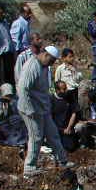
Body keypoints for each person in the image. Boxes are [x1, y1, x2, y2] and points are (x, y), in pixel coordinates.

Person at [17, 46, 73, 176]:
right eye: (51, 60)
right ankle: (30, 167)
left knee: (52, 133)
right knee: (36, 136)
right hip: (31, 109)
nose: (52, 64)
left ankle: (62, 160)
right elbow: (23, 88)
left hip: (42, 108)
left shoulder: (43, 67)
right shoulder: (32, 66)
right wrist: (29, 109)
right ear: (45, 55)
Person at [0, 83, 28, 147]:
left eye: (7, 99)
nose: (6, 100)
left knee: (19, 120)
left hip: (6, 122)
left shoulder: (13, 99)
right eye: (5, 98)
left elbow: (18, 112)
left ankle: (16, 140)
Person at [51, 80, 80, 151]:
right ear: (57, 90)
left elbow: (74, 113)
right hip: (56, 129)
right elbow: (50, 119)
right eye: (64, 89)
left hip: (67, 127)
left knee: (70, 147)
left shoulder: (70, 97)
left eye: (66, 88)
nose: (66, 90)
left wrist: (68, 128)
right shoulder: (51, 100)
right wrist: (59, 130)